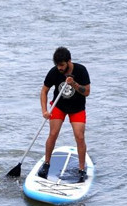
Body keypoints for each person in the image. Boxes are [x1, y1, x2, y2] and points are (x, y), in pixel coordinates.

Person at [39, 47, 91, 182]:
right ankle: (46, 164)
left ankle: (81, 169)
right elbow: (44, 91)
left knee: (79, 137)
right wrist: (44, 110)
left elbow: (87, 92)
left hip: (77, 108)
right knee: (53, 134)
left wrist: (73, 83)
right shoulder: (54, 72)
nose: (59, 68)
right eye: (57, 65)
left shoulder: (81, 70)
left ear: (69, 61)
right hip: (59, 106)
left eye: (62, 65)